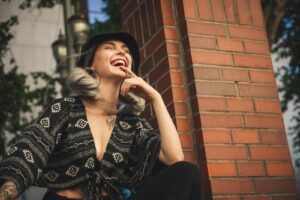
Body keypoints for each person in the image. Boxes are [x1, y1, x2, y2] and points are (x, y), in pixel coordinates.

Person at [0, 32, 201, 200]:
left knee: (186, 172)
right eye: (110, 47)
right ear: (91, 65)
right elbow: (28, 155)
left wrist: (155, 98)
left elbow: (174, 158)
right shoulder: (66, 109)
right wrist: (6, 193)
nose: (121, 51)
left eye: (126, 50)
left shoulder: (131, 124)